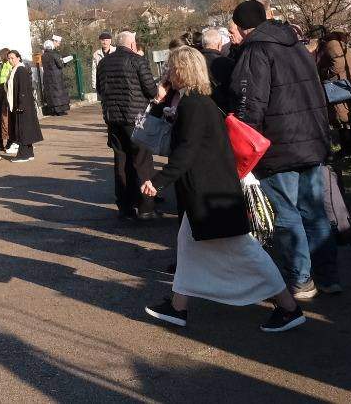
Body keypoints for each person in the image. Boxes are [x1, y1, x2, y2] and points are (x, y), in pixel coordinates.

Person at [139, 50, 306, 334]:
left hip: (211, 194)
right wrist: (161, 102)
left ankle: (289, 308)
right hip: (211, 191)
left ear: (181, 70)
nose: (167, 73)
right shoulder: (199, 101)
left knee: (245, 250)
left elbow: (186, 151)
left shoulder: (193, 105)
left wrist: (158, 180)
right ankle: (178, 308)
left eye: (170, 68)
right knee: (188, 246)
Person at [230, 0, 338, 300]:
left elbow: (250, 103)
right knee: (315, 211)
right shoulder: (296, 45)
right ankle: (329, 276)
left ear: (243, 27)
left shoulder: (256, 51)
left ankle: (301, 280)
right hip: (312, 140)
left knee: (287, 213)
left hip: (279, 146)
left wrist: (243, 140)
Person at [96, 31, 160, 221]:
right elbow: (151, 90)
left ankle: (125, 206)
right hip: (137, 118)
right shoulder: (137, 61)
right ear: (132, 44)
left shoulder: (103, 63)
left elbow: (100, 89)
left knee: (121, 161)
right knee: (142, 161)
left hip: (113, 119)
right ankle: (146, 207)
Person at [317, 31, 351, 157]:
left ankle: (350, 147)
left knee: (343, 116)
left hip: (339, 84)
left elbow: (338, 64)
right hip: (344, 83)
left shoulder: (332, 44)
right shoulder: (336, 43)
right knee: (347, 115)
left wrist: (324, 72)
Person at [4, 49, 44, 162]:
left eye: (12, 58)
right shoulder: (15, 70)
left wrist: (21, 105)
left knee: (22, 129)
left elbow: (23, 89)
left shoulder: (20, 70)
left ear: (18, 58)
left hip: (23, 105)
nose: (10, 60)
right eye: (9, 58)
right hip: (21, 104)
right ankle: (29, 153)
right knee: (25, 129)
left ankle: (23, 155)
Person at [197, 27, 237, 114]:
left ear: (203, 44)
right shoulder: (228, 63)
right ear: (219, 45)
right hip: (222, 109)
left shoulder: (193, 62)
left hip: (198, 108)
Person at [39, 37, 73, 116]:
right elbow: (60, 65)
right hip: (56, 76)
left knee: (51, 93)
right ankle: (60, 110)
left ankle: (53, 110)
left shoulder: (43, 56)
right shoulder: (54, 54)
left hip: (47, 77)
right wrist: (64, 62)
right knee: (59, 93)